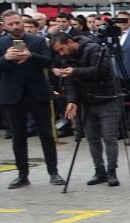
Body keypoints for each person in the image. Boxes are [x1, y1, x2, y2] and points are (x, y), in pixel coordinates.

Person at [0, 10, 65, 188]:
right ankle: (22, 174)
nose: (16, 26)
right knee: (18, 137)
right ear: (5, 26)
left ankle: (53, 172)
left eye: (18, 23)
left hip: (38, 94)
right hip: (12, 96)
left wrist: (31, 56)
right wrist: (6, 58)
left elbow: (48, 62)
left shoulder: (37, 41)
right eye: (11, 24)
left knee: (46, 135)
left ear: (22, 22)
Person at [51, 33, 122, 186]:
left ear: (69, 42)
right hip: (87, 102)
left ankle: (112, 171)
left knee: (110, 138)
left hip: (106, 99)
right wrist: (71, 101)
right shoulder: (66, 58)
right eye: (58, 51)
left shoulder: (94, 48)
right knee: (92, 139)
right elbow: (69, 82)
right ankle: (99, 170)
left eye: (62, 49)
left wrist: (75, 71)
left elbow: (100, 71)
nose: (61, 54)